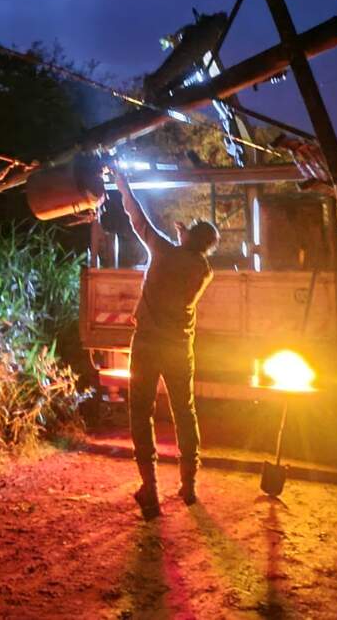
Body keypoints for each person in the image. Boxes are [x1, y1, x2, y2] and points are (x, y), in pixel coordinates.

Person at [112, 167, 218, 518]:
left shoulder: (164, 251)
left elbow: (138, 218)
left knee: (140, 413)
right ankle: (188, 485)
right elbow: (190, 252)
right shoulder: (203, 269)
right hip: (179, 348)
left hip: (147, 344)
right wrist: (187, 237)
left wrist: (122, 182)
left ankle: (150, 489)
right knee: (184, 413)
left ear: (190, 238)